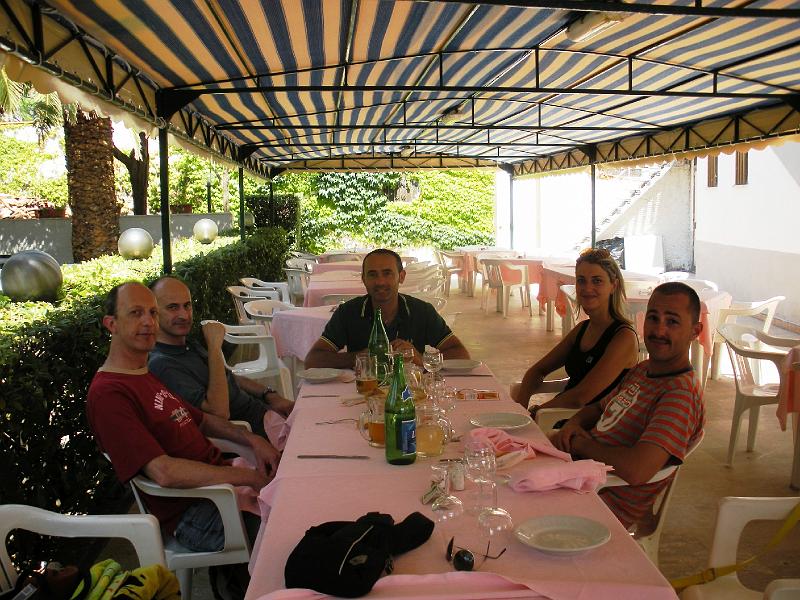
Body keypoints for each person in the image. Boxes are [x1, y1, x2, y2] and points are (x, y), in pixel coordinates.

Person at [86, 282, 280, 598]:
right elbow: (165, 472)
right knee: (290, 536)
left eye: (151, 312)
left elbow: (201, 418)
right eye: (136, 313)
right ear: (112, 324)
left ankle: (236, 584)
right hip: (193, 512)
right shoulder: (109, 394)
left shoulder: (142, 372)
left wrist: (250, 438)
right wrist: (247, 476)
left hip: (218, 486)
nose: (148, 322)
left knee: (301, 486)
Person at [552, 282, 705, 529]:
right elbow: (599, 408)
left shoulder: (679, 395)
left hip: (601, 502)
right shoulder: (643, 370)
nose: (659, 330)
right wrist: (574, 424)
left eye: (672, 322)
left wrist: (580, 444)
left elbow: (637, 469)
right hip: (576, 472)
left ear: (695, 331)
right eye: (653, 318)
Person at [148, 276, 293, 441]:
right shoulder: (163, 364)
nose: (184, 315)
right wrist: (215, 347)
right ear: (153, 313)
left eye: (187, 306)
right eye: (173, 307)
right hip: (252, 435)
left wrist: (270, 395)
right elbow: (219, 412)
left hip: (267, 415)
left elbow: (228, 377)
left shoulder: (187, 345)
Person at [513, 248, 639, 416]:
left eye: (597, 281)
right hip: (560, 417)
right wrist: (519, 411)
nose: (587, 288)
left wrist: (537, 412)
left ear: (613, 286)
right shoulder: (583, 329)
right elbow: (536, 371)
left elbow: (581, 397)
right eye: (581, 280)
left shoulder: (623, 337)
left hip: (591, 428)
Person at [304, 248, 470, 368]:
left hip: (412, 394)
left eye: (387, 273)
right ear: (363, 279)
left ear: (401, 277)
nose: (380, 282)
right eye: (372, 274)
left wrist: (420, 358)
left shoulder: (422, 311)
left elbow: (461, 355)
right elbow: (313, 360)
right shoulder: (348, 312)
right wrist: (358, 358)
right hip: (363, 395)